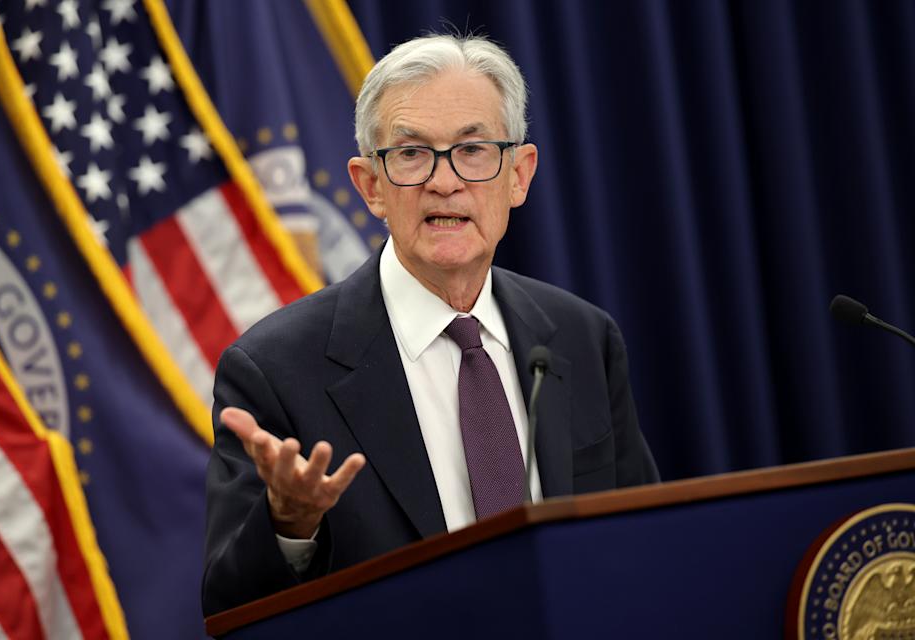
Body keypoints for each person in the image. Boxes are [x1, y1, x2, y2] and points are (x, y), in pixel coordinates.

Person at [202, 33, 659, 616]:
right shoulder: (274, 370)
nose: (444, 181)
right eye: (412, 154)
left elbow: (643, 542)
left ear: (519, 175)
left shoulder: (582, 336)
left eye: (473, 150)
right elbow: (228, 606)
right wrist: (290, 525)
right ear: (371, 186)